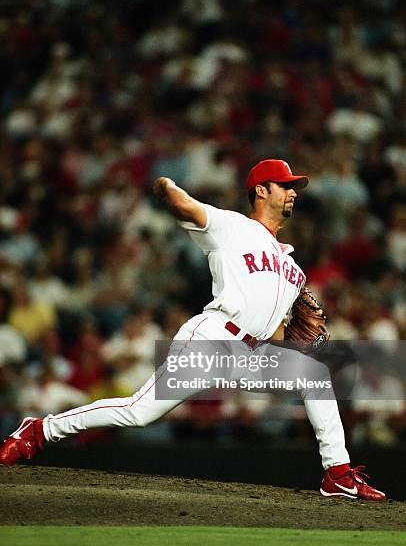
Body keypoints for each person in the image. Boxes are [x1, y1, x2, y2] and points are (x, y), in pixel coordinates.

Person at [0, 159, 385, 500]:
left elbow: (275, 331)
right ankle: (40, 430)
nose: (292, 194)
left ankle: (337, 474)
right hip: (212, 338)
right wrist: (165, 186)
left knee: (315, 374)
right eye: (286, 186)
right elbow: (186, 205)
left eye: (294, 189)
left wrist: (305, 344)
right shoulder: (231, 226)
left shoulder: (293, 268)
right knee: (138, 413)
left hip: (250, 352)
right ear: (261, 190)